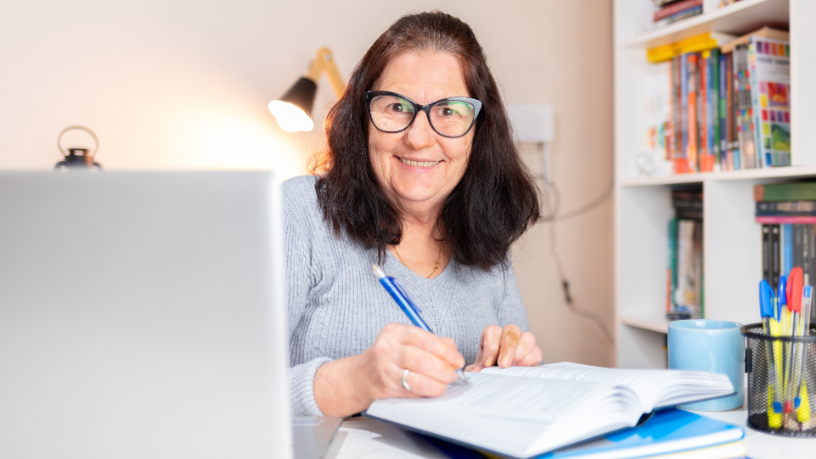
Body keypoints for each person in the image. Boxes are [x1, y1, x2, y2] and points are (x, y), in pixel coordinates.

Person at [285, 11, 542, 417]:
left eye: (449, 111)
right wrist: (356, 382)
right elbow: (224, 386)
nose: (419, 138)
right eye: (396, 106)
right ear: (362, 117)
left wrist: (510, 374)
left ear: (479, 130)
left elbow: (514, 398)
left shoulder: (486, 235)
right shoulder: (298, 215)